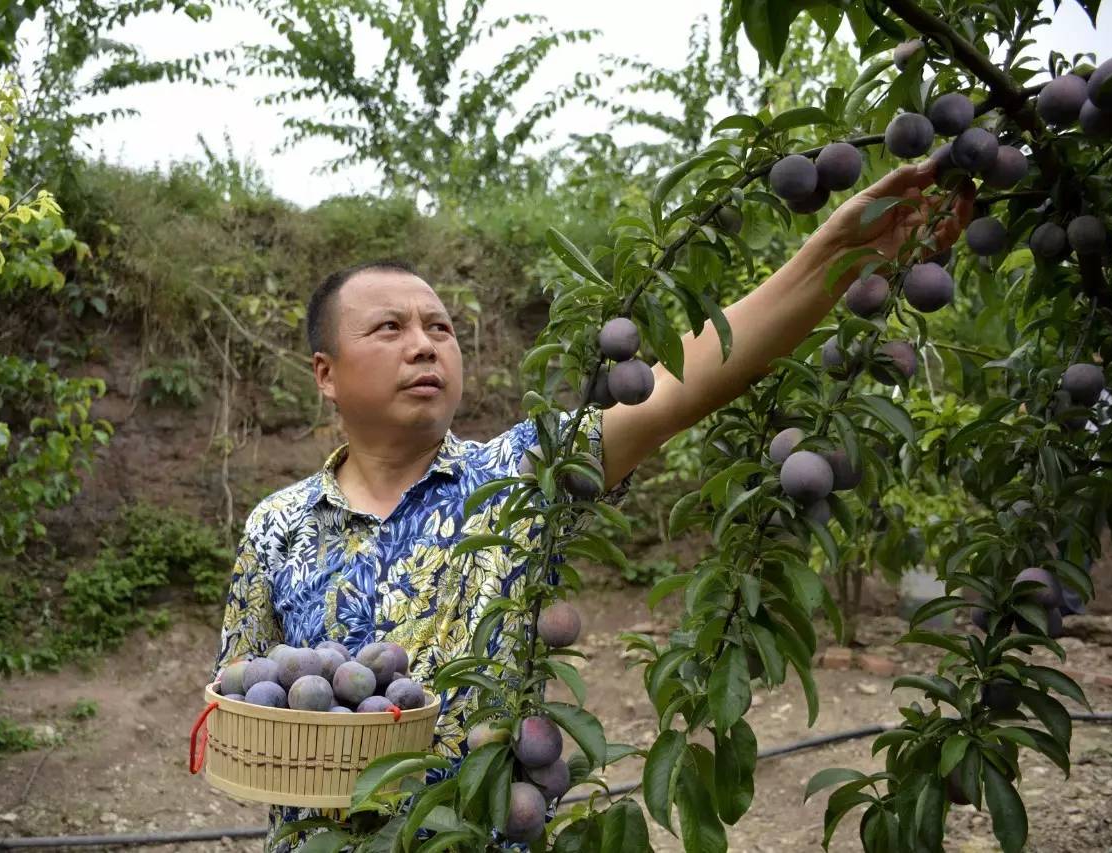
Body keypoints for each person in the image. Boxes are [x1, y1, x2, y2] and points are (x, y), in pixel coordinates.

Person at [211, 159, 975, 851]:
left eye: (440, 328)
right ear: (326, 374)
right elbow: (238, 702)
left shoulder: (520, 473)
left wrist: (839, 252)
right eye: (390, 328)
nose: (426, 345)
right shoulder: (276, 528)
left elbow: (690, 376)